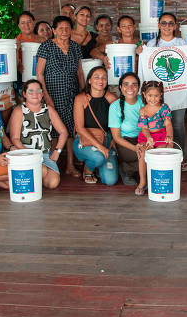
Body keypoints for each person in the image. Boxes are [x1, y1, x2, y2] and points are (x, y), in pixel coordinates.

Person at [141, 12, 187, 168]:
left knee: (178, 123)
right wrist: (139, 53)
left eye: (170, 23)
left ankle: (180, 157)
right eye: (164, 23)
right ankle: (160, 155)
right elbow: (145, 62)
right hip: (157, 94)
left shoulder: (181, 42)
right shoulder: (151, 43)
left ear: (175, 26)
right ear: (159, 25)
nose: (167, 26)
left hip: (178, 90)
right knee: (159, 124)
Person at [36, 15, 81, 177]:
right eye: (60, 28)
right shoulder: (46, 46)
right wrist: (46, 97)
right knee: (53, 131)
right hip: (53, 94)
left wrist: (82, 92)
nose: (64, 31)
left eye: (67, 28)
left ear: (71, 30)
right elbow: (39, 74)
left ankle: (69, 165)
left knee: (70, 130)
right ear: (54, 30)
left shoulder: (75, 47)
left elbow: (79, 72)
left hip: (72, 94)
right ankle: (52, 166)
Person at [8, 79, 68, 191]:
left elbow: (63, 132)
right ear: (24, 94)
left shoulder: (48, 109)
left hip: (45, 154)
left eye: (38, 91)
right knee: (42, 170)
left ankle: (32, 178)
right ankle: (32, 176)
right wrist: (30, 155)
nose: (35, 94)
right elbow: (15, 138)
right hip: (25, 154)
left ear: (42, 94)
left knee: (53, 183)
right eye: (31, 91)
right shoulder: (19, 110)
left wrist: (57, 152)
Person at [72, 66, 119, 185]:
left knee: (110, 181)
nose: (100, 80)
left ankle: (97, 163)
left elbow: (118, 123)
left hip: (106, 140)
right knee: (98, 157)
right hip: (84, 141)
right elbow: (79, 128)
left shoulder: (112, 99)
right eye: (96, 77)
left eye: (104, 78)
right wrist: (100, 146)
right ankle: (88, 169)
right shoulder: (80, 98)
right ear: (89, 80)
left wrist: (114, 139)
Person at [137, 80, 174, 195]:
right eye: (150, 95)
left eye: (156, 96)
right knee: (143, 153)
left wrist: (169, 136)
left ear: (161, 95)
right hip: (146, 137)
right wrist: (148, 138)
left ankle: (158, 180)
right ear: (144, 94)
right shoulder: (143, 110)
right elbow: (144, 128)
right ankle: (143, 182)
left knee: (160, 153)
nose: (153, 99)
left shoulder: (164, 108)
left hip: (162, 135)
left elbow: (168, 124)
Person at [109, 72, 145, 187]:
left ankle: (135, 169)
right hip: (125, 142)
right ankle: (125, 169)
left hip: (143, 138)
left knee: (156, 153)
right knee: (145, 156)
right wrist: (135, 148)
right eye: (126, 84)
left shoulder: (144, 102)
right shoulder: (115, 107)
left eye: (134, 84)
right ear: (120, 87)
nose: (130, 88)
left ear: (138, 87)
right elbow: (116, 137)